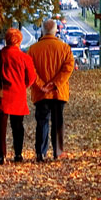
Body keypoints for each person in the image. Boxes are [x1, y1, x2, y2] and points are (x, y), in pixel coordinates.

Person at [0, 28, 37, 164]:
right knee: (18, 126)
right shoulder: (25, 58)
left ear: (6, 40)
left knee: (0, 128)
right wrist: (22, 85)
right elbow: (31, 77)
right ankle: (18, 153)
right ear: (19, 41)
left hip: (0, 96)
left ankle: (1, 155)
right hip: (17, 96)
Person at [29, 18, 74, 161]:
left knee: (41, 121)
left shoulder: (33, 50)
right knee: (57, 121)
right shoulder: (65, 48)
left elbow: (30, 71)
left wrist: (41, 85)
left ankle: (41, 152)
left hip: (40, 92)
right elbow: (68, 69)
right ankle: (58, 151)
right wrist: (55, 84)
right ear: (55, 31)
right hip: (58, 92)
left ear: (43, 30)